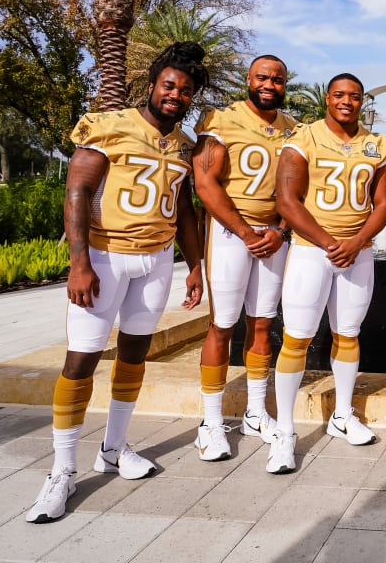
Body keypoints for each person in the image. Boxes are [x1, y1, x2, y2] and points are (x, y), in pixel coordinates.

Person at [26, 42, 206, 523]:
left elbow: (185, 209)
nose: (176, 95)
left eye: (185, 90)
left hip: (155, 261)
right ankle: (62, 471)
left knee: (134, 355)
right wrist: (79, 261)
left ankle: (113, 447)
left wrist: (195, 264)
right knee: (81, 360)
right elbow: (78, 191)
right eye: (169, 85)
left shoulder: (185, 145)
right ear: (151, 86)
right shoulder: (108, 125)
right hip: (105, 258)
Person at [272, 73, 386, 472]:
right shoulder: (305, 137)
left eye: (354, 96)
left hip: (355, 254)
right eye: (340, 95)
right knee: (297, 339)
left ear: (362, 102)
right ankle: (286, 433)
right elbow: (287, 201)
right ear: (328, 97)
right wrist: (328, 242)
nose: (347, 102)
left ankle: (342, 415)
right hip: (312, 250)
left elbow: (383, 203)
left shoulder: (376, 144)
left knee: (348, 334)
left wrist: (356, 242)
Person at [191, 55, 296, 463]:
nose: (270, 84)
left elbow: (296, 190)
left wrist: (280, 231)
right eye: (262, 77)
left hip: (273, 234)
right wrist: (245, 231)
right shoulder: (222, 120)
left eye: (278, 78)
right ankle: (211, 421)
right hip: (233, 234)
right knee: (222, 324)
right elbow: (205, 182)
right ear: (248, 80)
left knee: (263, 323)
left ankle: (255, 411)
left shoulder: (292, 129)